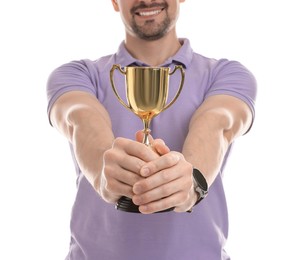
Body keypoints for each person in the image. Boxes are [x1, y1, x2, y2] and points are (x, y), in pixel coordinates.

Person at [47, 0, 257, 259]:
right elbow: (80, 120)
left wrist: (191, 181)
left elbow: (217, 125)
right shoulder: (77, 74)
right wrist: (104, 174)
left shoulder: (226, 74)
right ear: (114, 1)